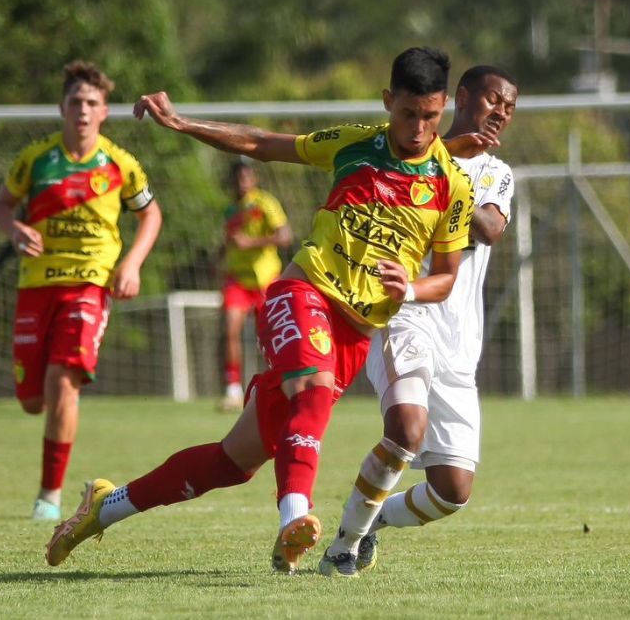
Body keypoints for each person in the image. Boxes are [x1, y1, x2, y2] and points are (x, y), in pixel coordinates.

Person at [45, 47, 476, 574]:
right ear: (389, 102)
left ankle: (103, 508)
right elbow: (260, 144)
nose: (418, 127)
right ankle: (293, 521)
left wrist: (409, 287)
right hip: (302, 293)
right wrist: (180, 123)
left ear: (443, 107)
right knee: (312, 390)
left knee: (233, 462)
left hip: (355, 335)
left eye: (430, 116)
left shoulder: (451, 183)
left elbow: (447, 278)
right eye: (408, 113)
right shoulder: (358, 145)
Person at [319, 65, 519, 577]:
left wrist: (449, 167)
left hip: (458, 341)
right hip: (406, 315)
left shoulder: (496, 173)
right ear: (462, 97)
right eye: (494, 100)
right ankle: (343, 546)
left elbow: (491, 228)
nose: (501, 113)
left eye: (510, 108)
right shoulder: (406, 157)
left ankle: (371, 521)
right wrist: (440, 155)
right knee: (407, 429)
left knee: (453, 492)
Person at [0, 60, 163, 521]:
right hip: (36, 284)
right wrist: (14, 231)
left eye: (92, 103)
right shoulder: (36, 160)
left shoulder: (120, 165)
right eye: (75, 102)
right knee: (32, 400)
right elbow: (2, 206)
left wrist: (132, 264)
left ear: (105, 111)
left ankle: (49, 496)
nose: (83, 110)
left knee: (63, 380)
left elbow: (151, 215)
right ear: (61, 108)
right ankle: (53, 413)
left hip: (90, 283)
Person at [218, 161, 293, 412]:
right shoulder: (230, 210)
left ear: (254, 178)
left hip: (265, 279)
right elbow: (228, 243)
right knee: (230, 328)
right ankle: (232, 390)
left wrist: (251, 243)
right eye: (238, 178)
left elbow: (285, 236)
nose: (243, 182)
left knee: (270, 339)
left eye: (246, 177)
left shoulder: (265, 203)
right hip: (237, 279)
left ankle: (278, 385)